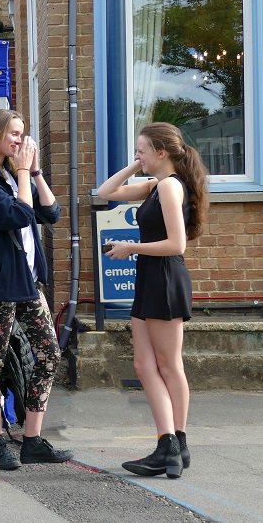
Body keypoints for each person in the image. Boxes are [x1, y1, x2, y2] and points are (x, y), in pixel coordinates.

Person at [0, 108, 72, 470]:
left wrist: (34, 173)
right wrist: (22, 173)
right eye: (13, 133)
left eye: (22, 134)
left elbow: (51, 213)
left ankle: (32, 439)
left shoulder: (11, 175)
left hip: (26, 282)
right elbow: (19, 215)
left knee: (50, 355)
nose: (19, 141)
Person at [97, 122, 208, 479]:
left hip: (164, 276)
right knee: (145, 366)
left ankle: (174, 442)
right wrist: (135, 165)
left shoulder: (171, 187)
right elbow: (105, 192)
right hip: (149, 277)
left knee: (168, 364)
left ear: (162, 152)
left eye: (142, 150)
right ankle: (170, 445)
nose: (138, 154)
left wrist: (130, 247)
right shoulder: (156, 185)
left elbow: (177, 244)